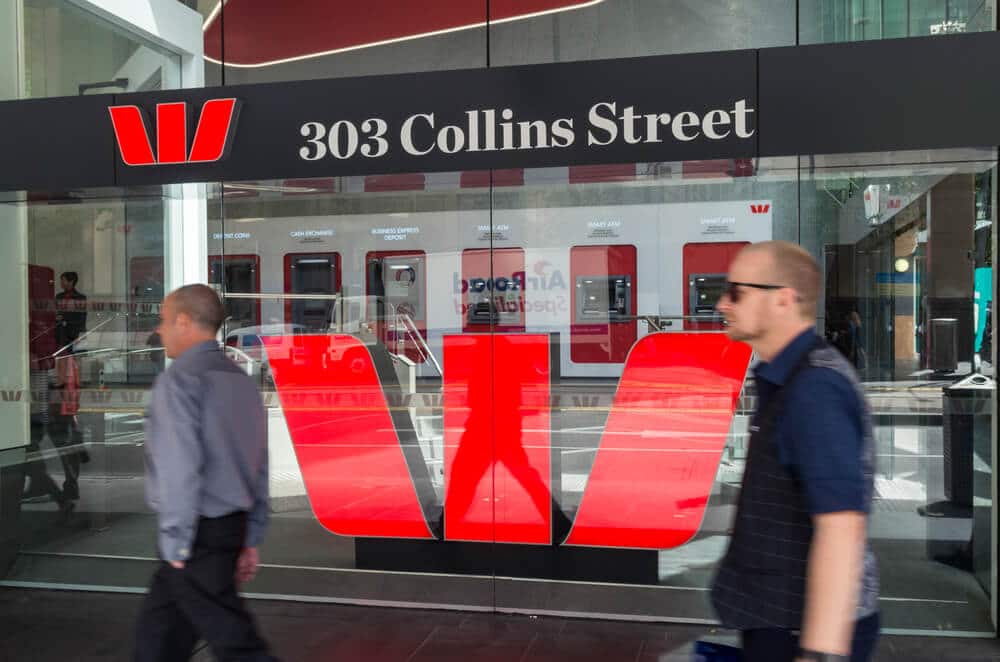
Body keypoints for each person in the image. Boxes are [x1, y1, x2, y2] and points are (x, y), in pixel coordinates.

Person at [710, 241, 879, 662]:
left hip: (800, 629)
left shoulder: (815, 389)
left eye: (736, 292)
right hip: (776, 618)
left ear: (783, 300)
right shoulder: (786, 378)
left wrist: (819, 652)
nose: (721, 304)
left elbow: (842, 527)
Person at [134, 284, 278, 662]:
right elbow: (259, 465)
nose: (159, 330)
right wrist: (251, 534)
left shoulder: (179, 382)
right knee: (159, 637)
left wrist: (177, 542)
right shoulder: (240, 381)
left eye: (164, 321)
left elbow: (180, 468)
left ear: (184, 322)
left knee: (236, 642)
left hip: (195, 534)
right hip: (228, 527)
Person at [55, 271, 87, 352]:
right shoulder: (59, 296)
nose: (61, 283)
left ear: (71, 281)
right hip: (61, 335)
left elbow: (81, 318)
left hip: (75, 335)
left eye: (63, 280)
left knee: (76, 359)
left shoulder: (80, 298)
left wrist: (64, 318)